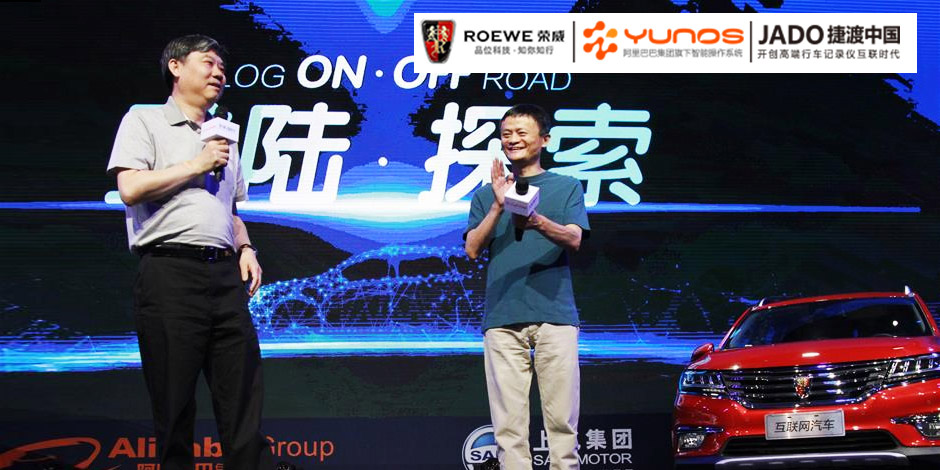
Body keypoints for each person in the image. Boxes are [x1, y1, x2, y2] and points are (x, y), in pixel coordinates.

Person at [107, 34, 273, 470]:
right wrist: (196, 164)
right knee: (174, 402)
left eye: (222, 67)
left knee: (242, 397)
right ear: (176, 67)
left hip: (224, 278)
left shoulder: (225, 135)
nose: (219, 72)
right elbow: (130, 188)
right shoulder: (144, 120)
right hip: (170, 272)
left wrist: (245, 246)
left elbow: (229, 209)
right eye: (208, 62)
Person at [464, 104, 590, 470]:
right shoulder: (486, 195)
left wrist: (536, 221)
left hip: (555, 314)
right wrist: (498, 206)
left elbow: (574, 238)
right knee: (508, 428)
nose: (513, 140)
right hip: (502, 316)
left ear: (544, 139)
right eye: (506, 134)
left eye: (521, 132)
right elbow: (472, 248)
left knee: (562, 423)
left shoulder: (566, 187)